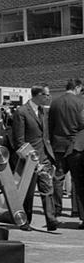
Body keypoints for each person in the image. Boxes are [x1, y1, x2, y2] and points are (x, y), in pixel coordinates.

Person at [12, 84, 58, 231]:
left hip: (44, 156)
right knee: (28, 192)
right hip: (29, 159)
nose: (48, 97)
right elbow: (19, 140)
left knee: (47, 188)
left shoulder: (43, 111)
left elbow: (45, 135)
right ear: (38, 95)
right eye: (46, 95)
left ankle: (51, 220)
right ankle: (25, 221)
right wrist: (30, 158)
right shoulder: (22, 112)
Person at [48, 79, 84, 218]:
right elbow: (82, 123)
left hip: (59, 145)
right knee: (78, 179)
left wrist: (52, 142)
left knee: (58, 177)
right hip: (76, 145)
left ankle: (57, 209)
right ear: (77, 87)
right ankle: (77, 211)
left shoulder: (55, 102)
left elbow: (50, 125)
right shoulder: (80, 102)